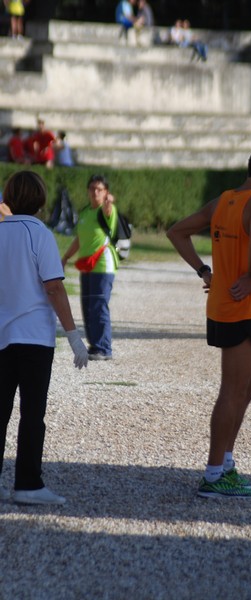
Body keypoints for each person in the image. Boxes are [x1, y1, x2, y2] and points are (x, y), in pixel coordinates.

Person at [167, 145, 251, 498]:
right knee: (233, 389)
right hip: (239, 305)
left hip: (226, 304)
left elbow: (176, 232)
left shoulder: (224, 200)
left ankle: (224, 461)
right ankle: (213, 475)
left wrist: (204, 271)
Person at [0, 171, 88, 506]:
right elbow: (53, 286)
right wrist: (74, 335)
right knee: (32, 413)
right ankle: (28, 483)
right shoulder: (39, 233)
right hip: (34, 337)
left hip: (2, 335)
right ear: (40, 199)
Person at [61, 175, 119, 361]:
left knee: (99, 305)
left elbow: (109, 212)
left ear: (106, 193)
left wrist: (109, 203)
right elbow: (79, 239)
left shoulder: (106, 210)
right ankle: (95, 345)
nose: (95, 192)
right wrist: (66, 256)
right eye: (92, 188)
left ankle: (104, 347)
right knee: (87, 306)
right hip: (86, 266)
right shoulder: (85, 212)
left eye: (100, 189)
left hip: (102, 266)